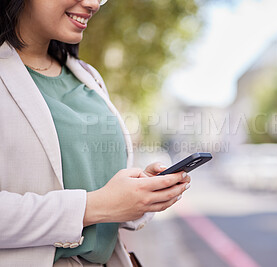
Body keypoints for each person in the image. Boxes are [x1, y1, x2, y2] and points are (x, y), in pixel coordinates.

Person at [0, 0, 191, 266]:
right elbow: (95, 204)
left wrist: (139, 194)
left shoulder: (88, 76)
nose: (92, 4)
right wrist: (93, 207)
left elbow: (96, 189)